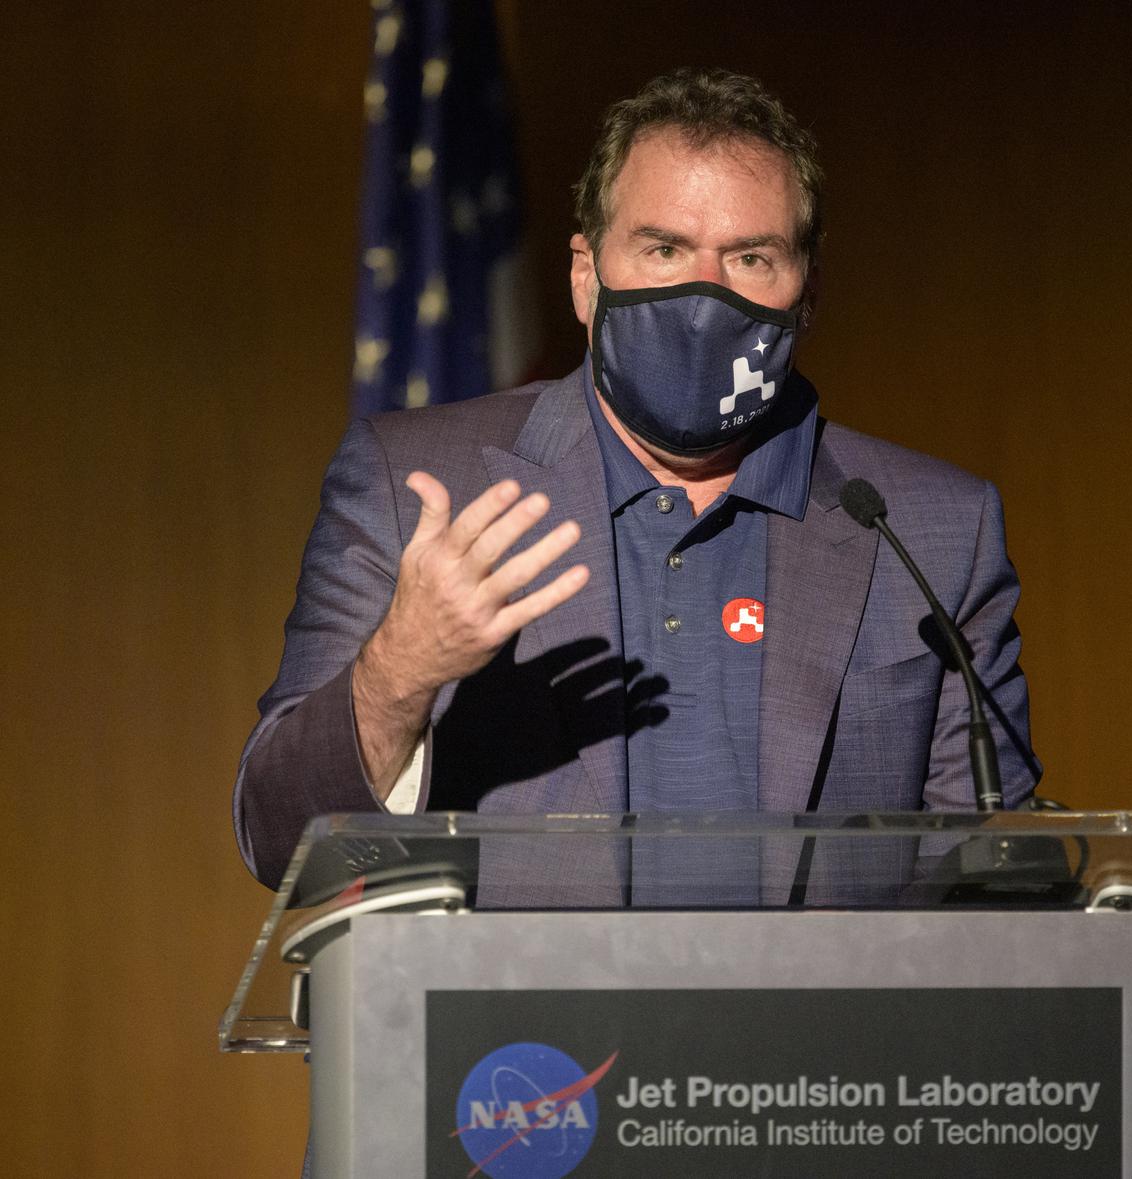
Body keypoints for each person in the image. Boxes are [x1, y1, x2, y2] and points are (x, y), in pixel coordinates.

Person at [233, 68, 1039, 893]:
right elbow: (282, 842)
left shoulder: (933, 531)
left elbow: (994, 882)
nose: (704, 297)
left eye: (751, 257)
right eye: (664, 250)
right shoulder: (416, 483)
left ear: (808, 293)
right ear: (586, 277)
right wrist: (402, 667)